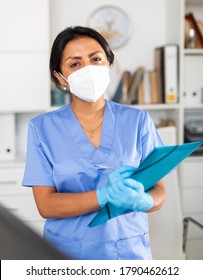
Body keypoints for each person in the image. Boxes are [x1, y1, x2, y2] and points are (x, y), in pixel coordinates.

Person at [22, 26, 166, 260]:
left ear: (107, 62)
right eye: (75, 64)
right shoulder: (42, 128)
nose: (88, 69)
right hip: (67, 253)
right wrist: (103, 196)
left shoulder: (137, 120)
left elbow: (158, 190)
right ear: (60, 76)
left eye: (95, 59)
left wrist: (145, 200)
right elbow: (46, 205)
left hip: (128, 253)